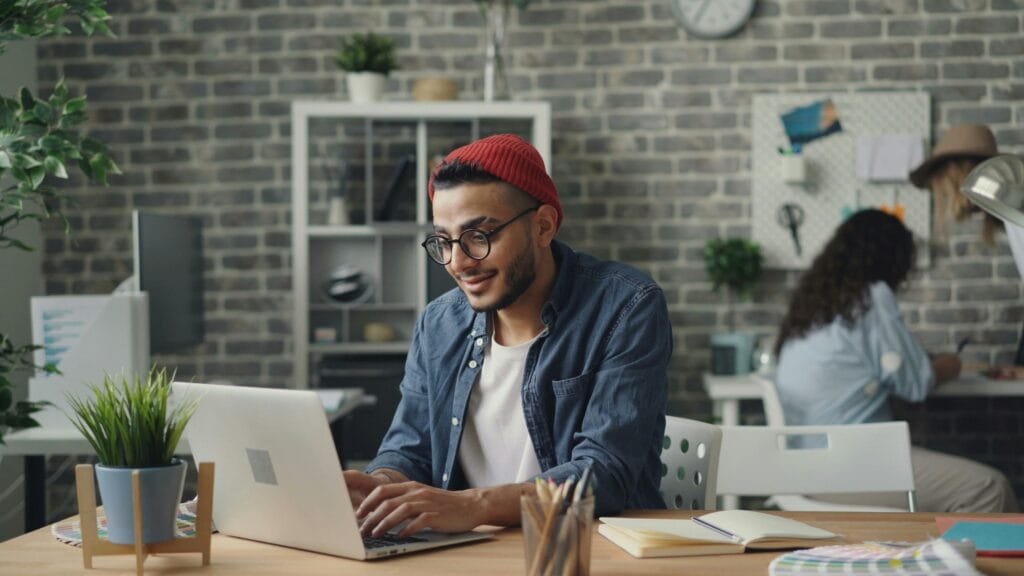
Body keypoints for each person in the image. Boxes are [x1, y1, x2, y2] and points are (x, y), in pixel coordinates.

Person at [344, 134, 672, 538]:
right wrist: (380, 484)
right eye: (444, 241)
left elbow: (604, 473)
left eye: (479, 236)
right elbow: (410, 448)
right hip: (470, 554)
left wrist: (471, 505)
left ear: (543, 225)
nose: (458, 262)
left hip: (587, 549)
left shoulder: (625, 307)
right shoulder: (438, 323)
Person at [773, 209, 1018, 513]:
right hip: (847, 467)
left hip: (806, 466)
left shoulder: (813, 308)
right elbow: (916, 382)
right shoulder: (871, 296)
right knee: (989, 489)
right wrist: (949, 365)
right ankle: (957, 561)